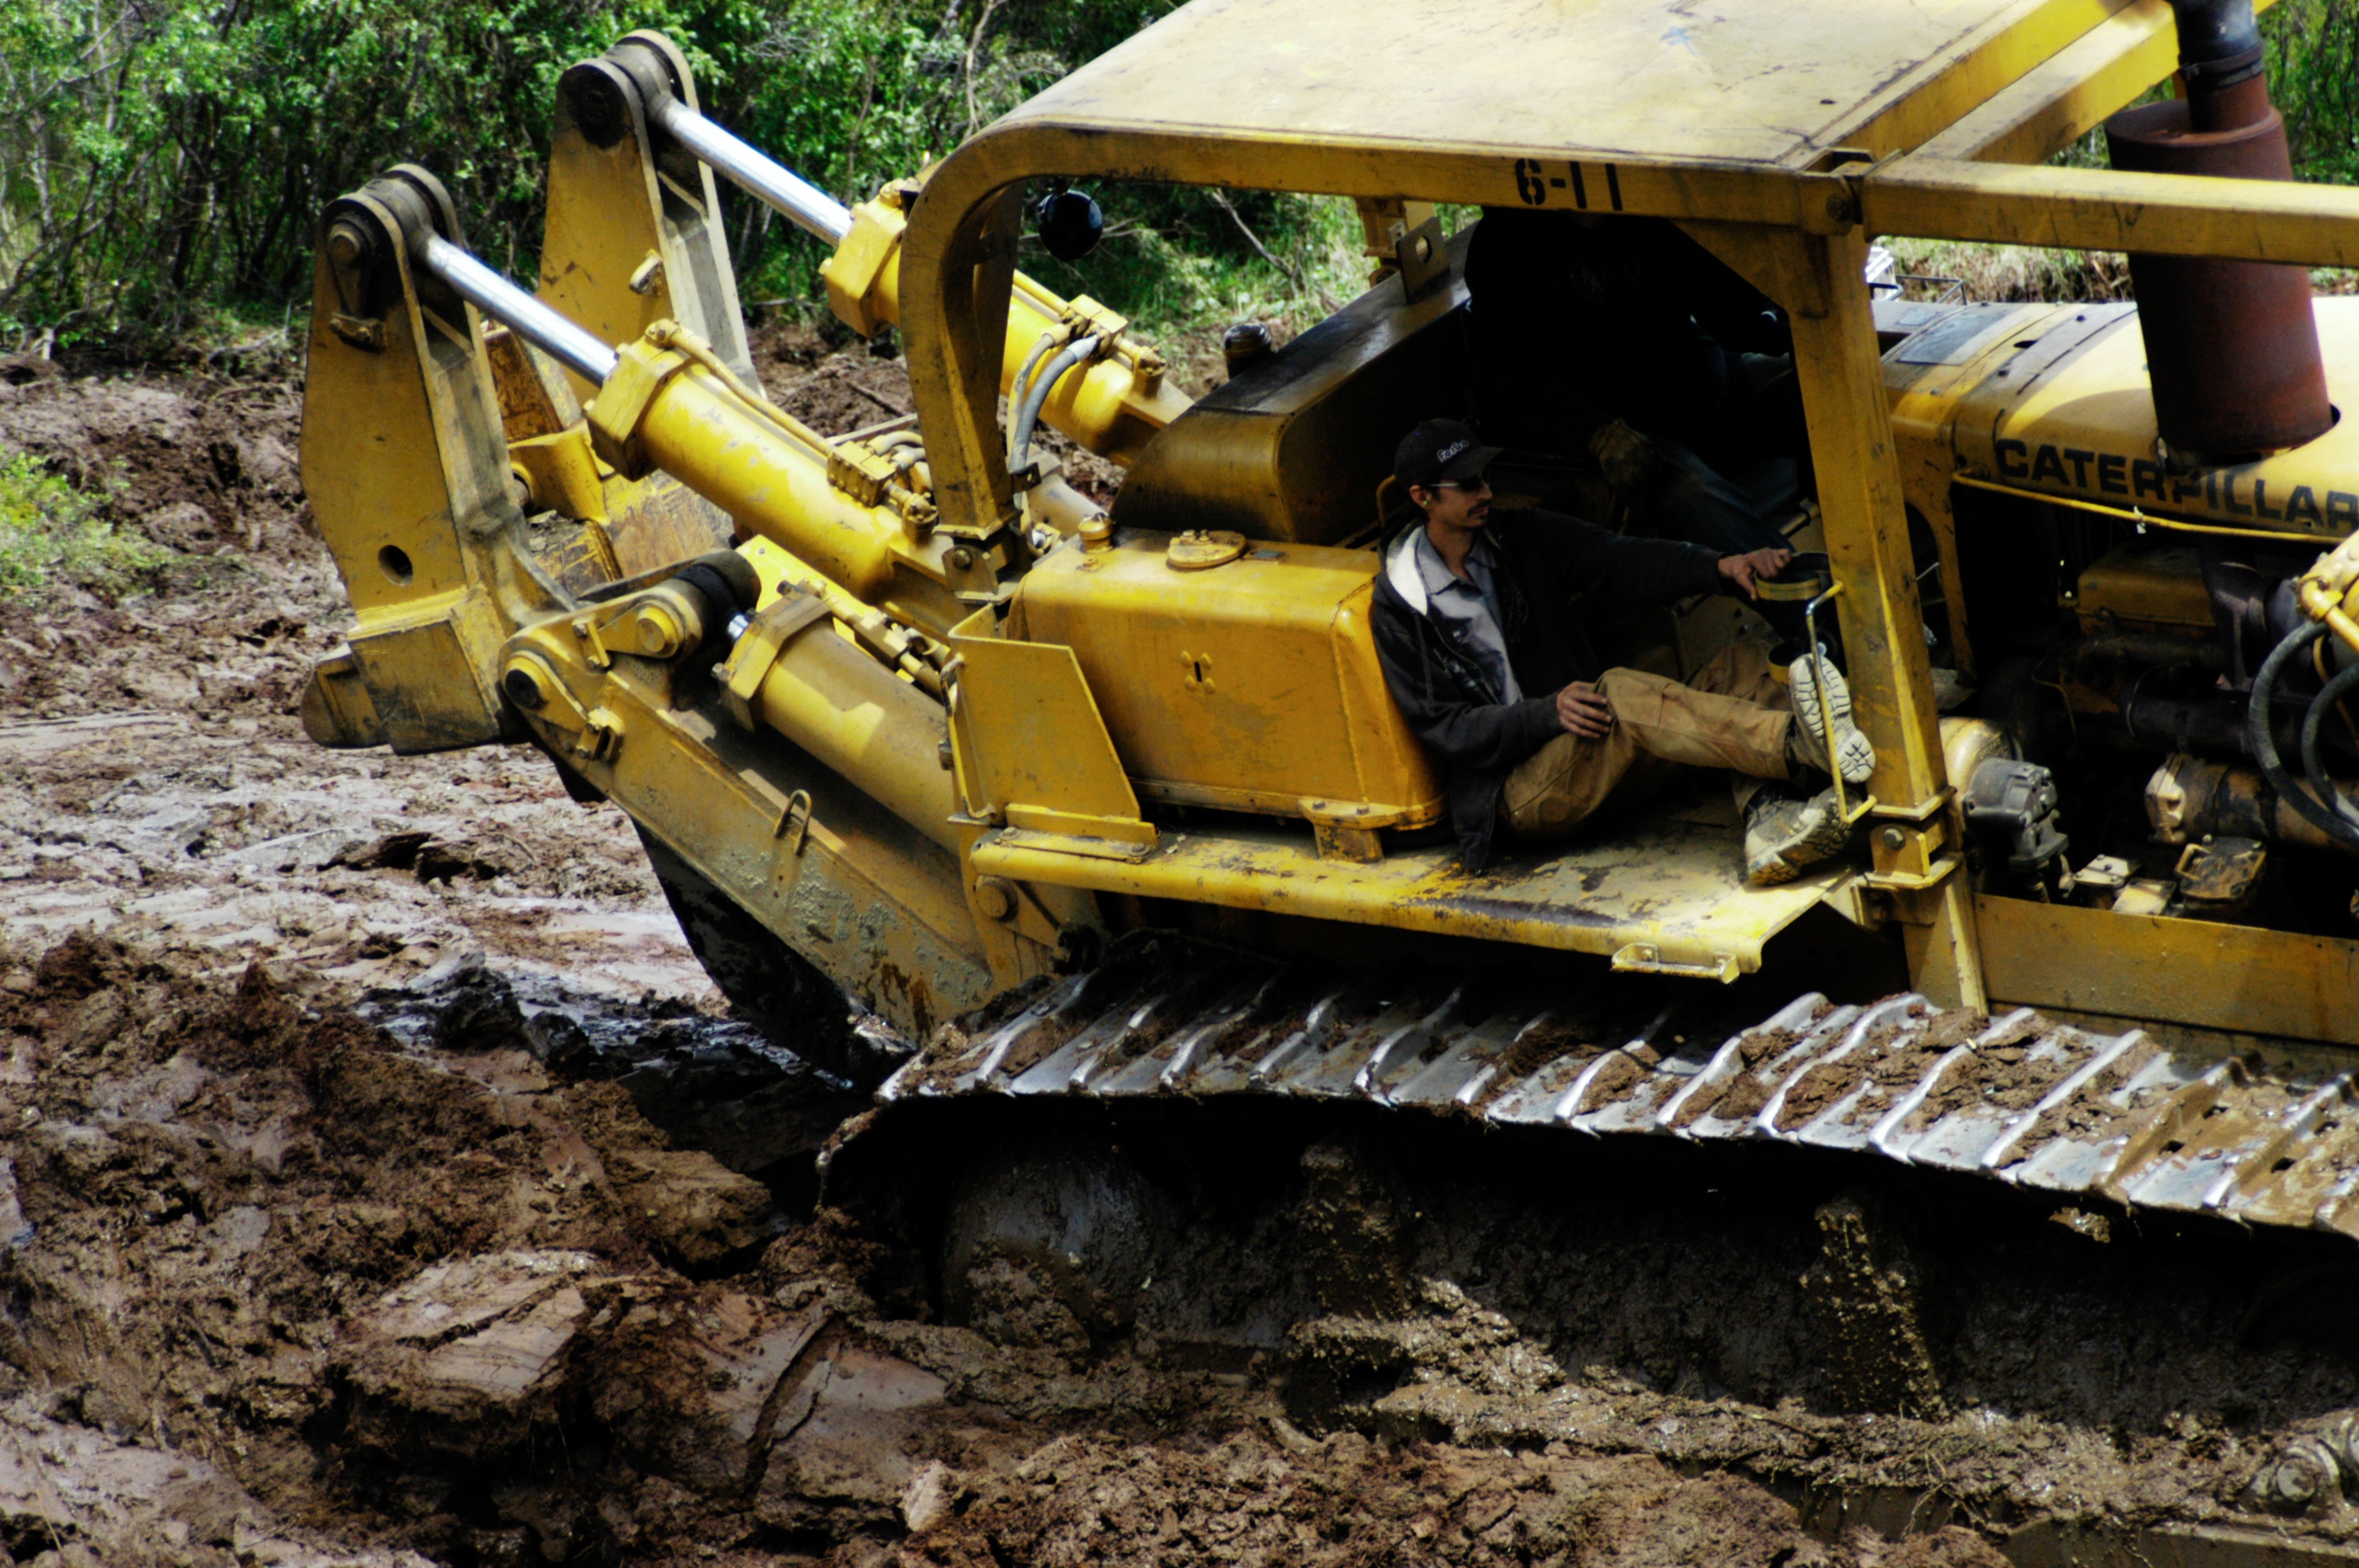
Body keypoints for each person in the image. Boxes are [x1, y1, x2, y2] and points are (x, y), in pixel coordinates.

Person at [1369, 419, 1872, 883]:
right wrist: (1546, 715)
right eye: (1468, 485)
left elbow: (1617, 559)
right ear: (1422, 497)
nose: (1486, 492)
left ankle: (1768, 818)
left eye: (1485, 477)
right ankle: (1800, 747)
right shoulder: (1401, 604)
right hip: (1521, 793)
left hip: (1595, 751)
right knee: (1620, 694)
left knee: (1743, 664)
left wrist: (1721, 566)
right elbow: (1448, 729)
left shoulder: (1518, 534)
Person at [1461, 207, 1808, 570]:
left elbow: (1725, 308)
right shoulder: (1504, 246)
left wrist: (1797, 330)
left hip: (1696, 388)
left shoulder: (1642, 207)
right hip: (1624, 435)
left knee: (1818, 397)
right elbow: (1521, 382)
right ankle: (1810, 607)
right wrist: (1599, 435)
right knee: (1697, 496)